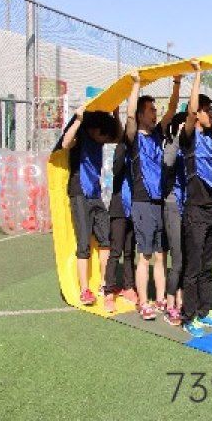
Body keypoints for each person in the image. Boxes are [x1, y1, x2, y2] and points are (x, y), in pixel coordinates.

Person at [179, 59, 212, 337]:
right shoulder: (188, 136)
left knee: (208, 266)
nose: (211, 114)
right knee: (194, 266)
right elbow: (190, 110)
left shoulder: (211, 132)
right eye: (206, 110)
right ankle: (188, 316)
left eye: (210, 110)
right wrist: (198, 74)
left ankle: (204, 311)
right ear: (197, 113)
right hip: (194, 211)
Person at [125, 71, 179, 320]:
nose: (155, 113)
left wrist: (177, 82)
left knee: (160, 254)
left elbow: (172, 110)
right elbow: (129, 115)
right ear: (140, 114)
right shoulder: (134, 138)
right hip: (142, 202)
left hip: (159, 202)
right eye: (150, 110)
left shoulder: (157, 134)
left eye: (155, 110)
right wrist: (136, 85)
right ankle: (143, 302)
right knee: (145, 255)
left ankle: (159, 298)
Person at [62, 104, 120, 305]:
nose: (105, 141)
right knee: (84, 243)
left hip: (96, 193)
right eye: (104, 136)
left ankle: (104, 283)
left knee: (106, 239)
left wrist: (116, 115)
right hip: (80, 193)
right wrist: (78, 120)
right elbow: (65, 143)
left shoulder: (100, 138)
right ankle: (84, 290)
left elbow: (118, 137)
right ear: (95, 130)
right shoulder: (80, 138)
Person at [103, 137, 139, 312]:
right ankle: (109, 291)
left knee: (130, 252)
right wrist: (125, 150)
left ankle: (129, 287)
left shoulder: (139, 150)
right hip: (119, 208)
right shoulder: (121, 148)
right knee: (115, 251)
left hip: (134, 208)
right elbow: (116, 169)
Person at [162, 109, 188, 325]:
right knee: (178, 259)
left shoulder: (191, 147)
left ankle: (181, 300)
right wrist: (179, 136)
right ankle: (170, 304)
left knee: (187, 258)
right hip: (173, 205)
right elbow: (168, 162)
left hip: (189, 205)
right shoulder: (171, 145)